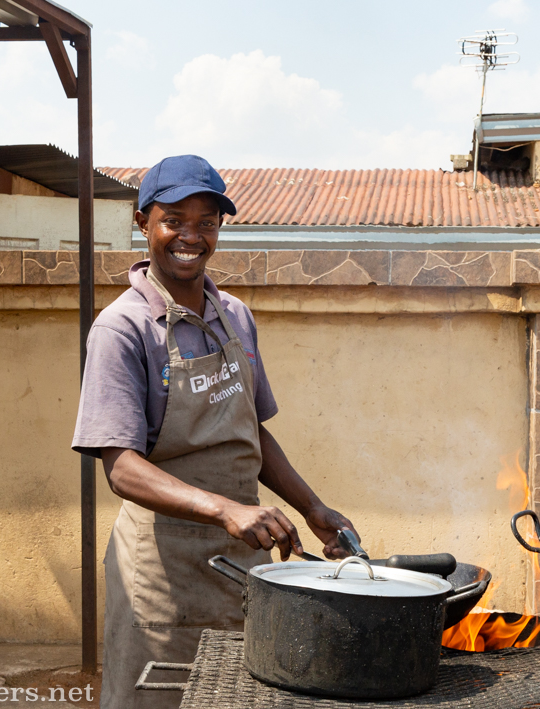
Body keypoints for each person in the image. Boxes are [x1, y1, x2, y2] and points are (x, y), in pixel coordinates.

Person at [72, 155, 358, 708]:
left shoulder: (236, 316)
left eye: (206, 222)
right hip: (161, 572)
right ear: (142, 223)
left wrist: (311, 508)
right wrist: (226, 509)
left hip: (242, 562)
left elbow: (251, 433)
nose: (190, 236)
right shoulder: (122, 329)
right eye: (174, 219)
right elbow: (122, 469)